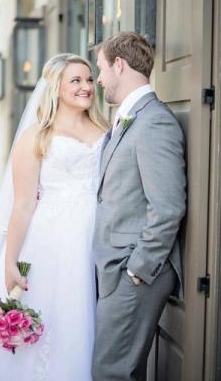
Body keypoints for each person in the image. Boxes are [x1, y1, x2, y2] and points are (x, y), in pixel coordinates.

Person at [0, 53, 109, 381]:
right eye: (76, 80)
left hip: (95, 240)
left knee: (79, 319)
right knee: (48, 316)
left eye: (88, 79)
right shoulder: (36, 137)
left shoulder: (105, 129)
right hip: (50, 243)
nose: (86, 87)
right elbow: (23, 205)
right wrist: (10, 260)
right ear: (56, 88)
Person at [92, 32, 186, 381]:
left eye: (101, 69)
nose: (98, 79)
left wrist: (137, 270)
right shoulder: (128, 118)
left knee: (111, 373)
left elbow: (168, 206)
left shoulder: (154, 121)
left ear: (119, 64)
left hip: (133, 273)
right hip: (116, 268)